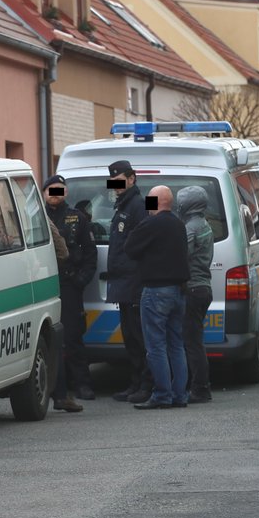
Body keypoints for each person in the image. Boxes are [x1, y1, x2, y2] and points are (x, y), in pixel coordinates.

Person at [124, 185, 190, 409]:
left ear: (157, 202)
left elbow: (130, 247)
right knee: (176, 345)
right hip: (178, 292)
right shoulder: (179, 225)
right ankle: (179, 395)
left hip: (155, 292)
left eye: (149, 201)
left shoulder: (150, 224)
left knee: (155, 346)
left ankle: (162, 395)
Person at [44, 174, 98, 407]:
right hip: (44, 284)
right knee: (48, 338)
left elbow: (89, 254)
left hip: (69, 284)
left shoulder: (77, 218)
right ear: (44, 193)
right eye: (50, 190)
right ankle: (54, 388)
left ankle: (82, 383)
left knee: (73, 336)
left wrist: (80, 281)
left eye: (59, 190)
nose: (55, 194)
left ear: (65, 193)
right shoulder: (35, 216)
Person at [105, 160, 151, 404]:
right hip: (123, 282)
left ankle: (146, 384)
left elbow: (143, 244)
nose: (116, 184)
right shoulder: (121, 205)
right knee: (130, 338)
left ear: (132, 178)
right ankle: (135, 383)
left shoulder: (140, 205)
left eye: (120, 179)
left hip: (135, 282)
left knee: (139, 336)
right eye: (113, 180)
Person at [177, 186, 215, 403]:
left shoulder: (190, 228)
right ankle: (199, 385)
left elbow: (181, 256)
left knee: (192, 342)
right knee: (194, 340)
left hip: (192, 289)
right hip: (203, 288)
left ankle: (200, 388)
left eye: (181, 202)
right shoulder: (204, 224)